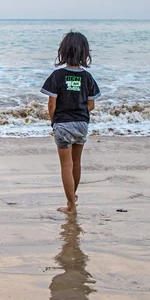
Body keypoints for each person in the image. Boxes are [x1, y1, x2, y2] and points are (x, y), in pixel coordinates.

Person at [41, 32, 101, 214]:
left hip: (63, 124)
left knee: (66, 166)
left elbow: (52, 104)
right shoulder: (87, 77)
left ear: (63, 52)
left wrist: (54, 122)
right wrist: (78, 112)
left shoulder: (57, 75)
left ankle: (71, 206)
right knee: (76, 163)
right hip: (82, 123)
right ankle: (72, 196)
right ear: (84, 53)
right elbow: (91, 104)